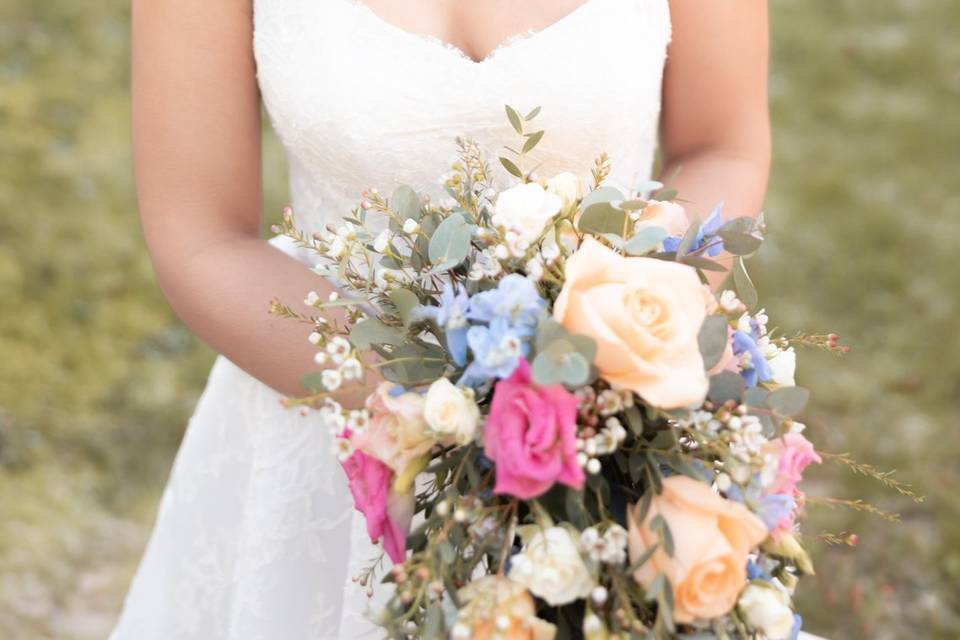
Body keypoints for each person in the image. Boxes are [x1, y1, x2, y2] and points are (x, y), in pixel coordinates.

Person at [111, 1, 776, 638]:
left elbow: (722, 145)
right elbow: (202, 241)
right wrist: (452, 418)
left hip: (604, 437)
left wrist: (623, 363)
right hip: (335, 429)